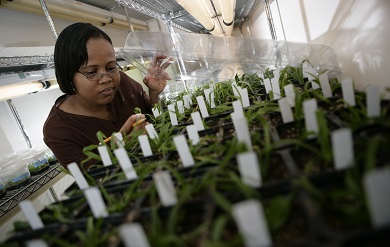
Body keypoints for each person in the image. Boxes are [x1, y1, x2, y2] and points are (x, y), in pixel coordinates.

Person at [43, 22, 172, 170]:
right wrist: (123, 146)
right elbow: (94, 180)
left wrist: (154, 93)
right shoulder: (58, 131)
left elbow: (153, 118)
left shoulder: (123, 84)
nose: (106, 79)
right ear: (68, 75)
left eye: (111, 68)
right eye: (91, 72)